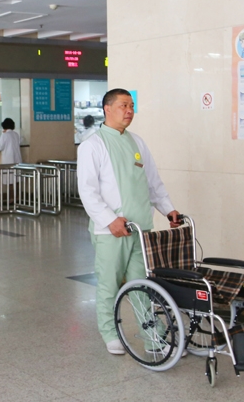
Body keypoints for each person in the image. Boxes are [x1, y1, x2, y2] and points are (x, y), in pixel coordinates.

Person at [77, 88, 180, 355]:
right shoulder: (93, 145)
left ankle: (152, 336)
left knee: (142, 286)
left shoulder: (137, 143)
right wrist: (109, 220)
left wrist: (168, 209)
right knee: (109, 284)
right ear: (107, 109)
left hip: (140, 229)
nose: (129, 111)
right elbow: (88, 191)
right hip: (111, 231)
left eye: (131, 106)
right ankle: (109, 333)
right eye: (123, 105)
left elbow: (152, 182)